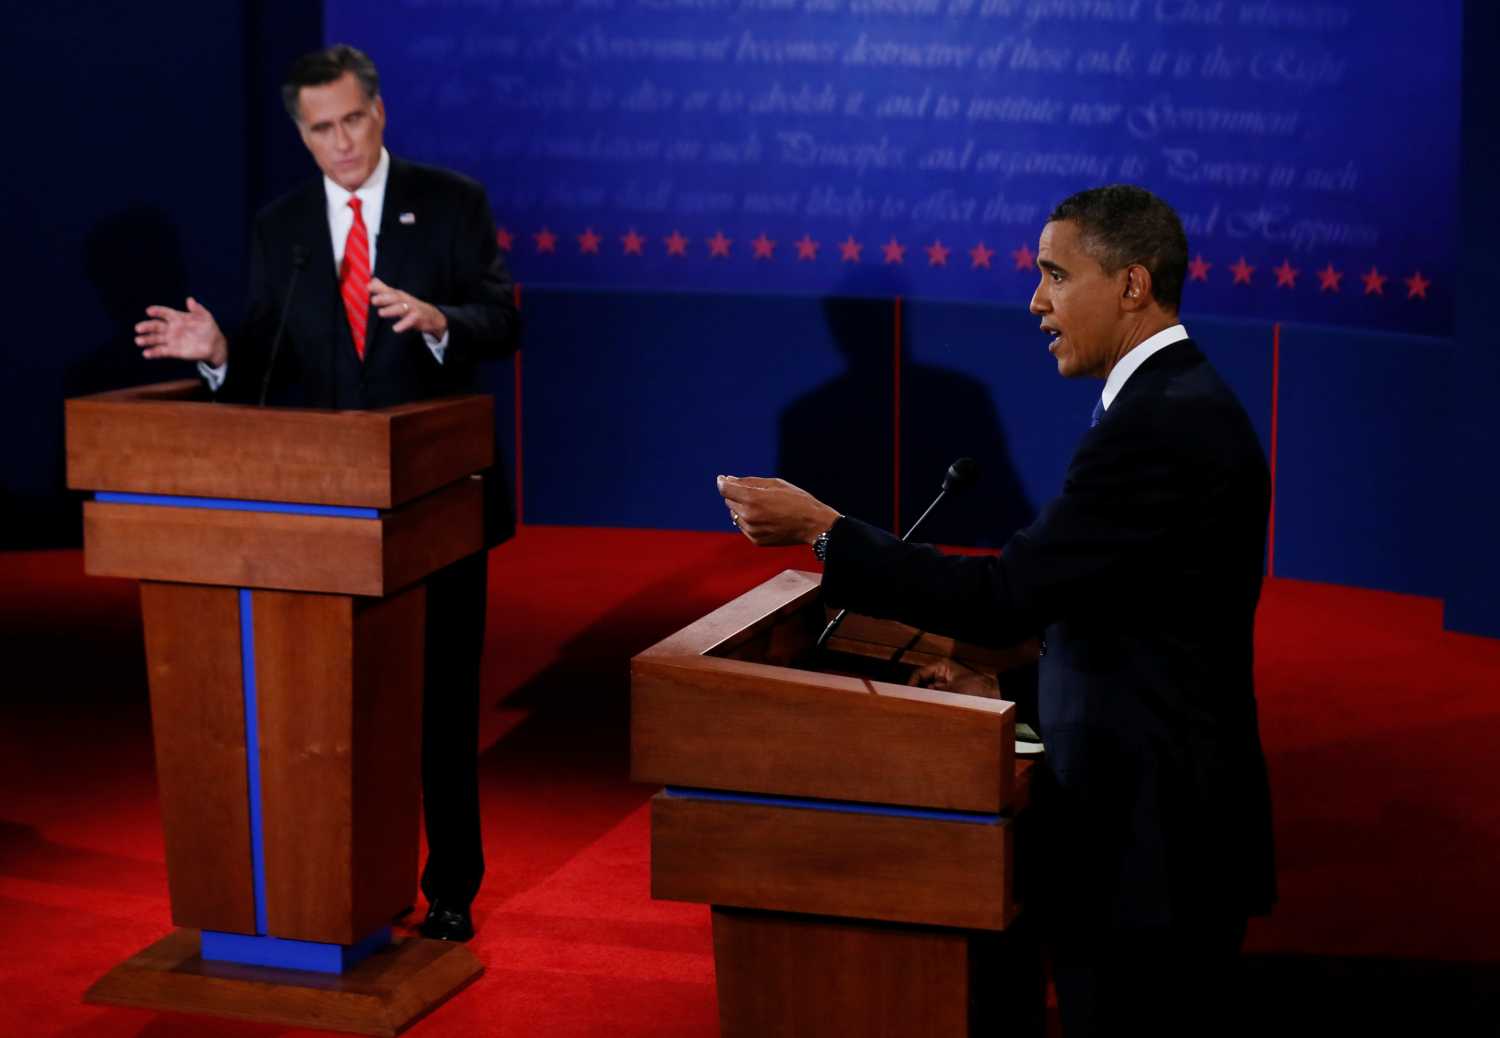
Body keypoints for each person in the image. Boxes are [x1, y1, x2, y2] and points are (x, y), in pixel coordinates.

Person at [718, 185, 1274, 1037]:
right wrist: (1011, 672)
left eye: (1056, 275)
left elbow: (1009, 592)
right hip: (1152, 827)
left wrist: (827, 533)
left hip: (1151, 844)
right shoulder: (1170, 404)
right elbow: (1125, 609)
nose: (1036, 302)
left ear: (1131, 284)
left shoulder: (1161, 423)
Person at [134, 44, 520, 943]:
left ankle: (451, 884)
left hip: (437, 504)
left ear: (378, 113)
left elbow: (504, 321)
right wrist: (221, 354)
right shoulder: (284, 231)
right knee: (336, 710)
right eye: (322, 129)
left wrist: (438, 321)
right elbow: (275, 367)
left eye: (353, 120)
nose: (342, 142)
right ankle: (340, 881)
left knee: (439, 705)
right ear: (302, 137)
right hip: (329, 516)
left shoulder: (452, 202)